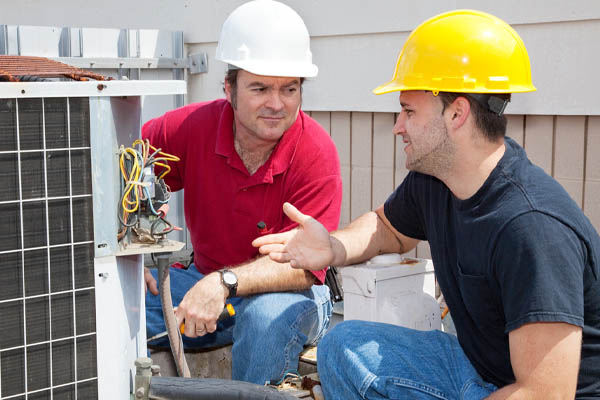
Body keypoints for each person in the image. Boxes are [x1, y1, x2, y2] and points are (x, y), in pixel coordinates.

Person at [253, 9, 600, 399]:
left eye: (408, 110)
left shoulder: (532, 228)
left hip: (531, 392)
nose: (398, 125)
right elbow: (388, 228)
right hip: (479, 366)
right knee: (342, 345)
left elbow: (545, 393)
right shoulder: (436, 180)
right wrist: (333, 248)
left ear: (457, 113)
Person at [142, 0, 342, 385]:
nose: (276, 104)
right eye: (260, 88)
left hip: (289, 294)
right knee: (115, 301)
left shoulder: (316, 152)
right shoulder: (191, 128)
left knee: (265, 318)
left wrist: (222, 284)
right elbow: (120, 168)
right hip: (200, 280)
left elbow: (302, 269)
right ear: (229, 89)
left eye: (290, 89)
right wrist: (129, 261)